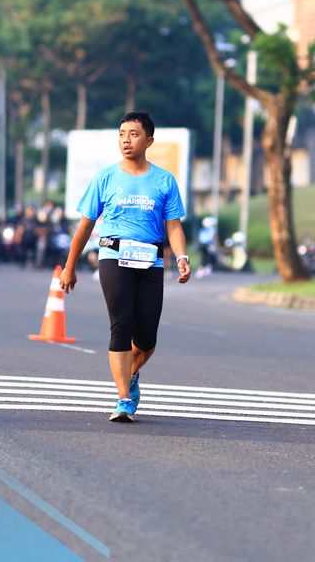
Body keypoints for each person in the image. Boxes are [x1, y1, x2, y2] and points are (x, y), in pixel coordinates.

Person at [60, 112, 191, 422]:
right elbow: (85, 226)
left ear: (149, 140)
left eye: (133, 134)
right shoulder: (105, 177)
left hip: (151, 261)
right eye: (121, 134)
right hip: (113, 257)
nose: (126, 140)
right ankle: (123, 400)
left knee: (146, 337)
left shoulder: (164, 180)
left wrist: (182, 257)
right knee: (121, 324)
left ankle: (130, 374)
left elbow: (173, 225)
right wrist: (69, 266)